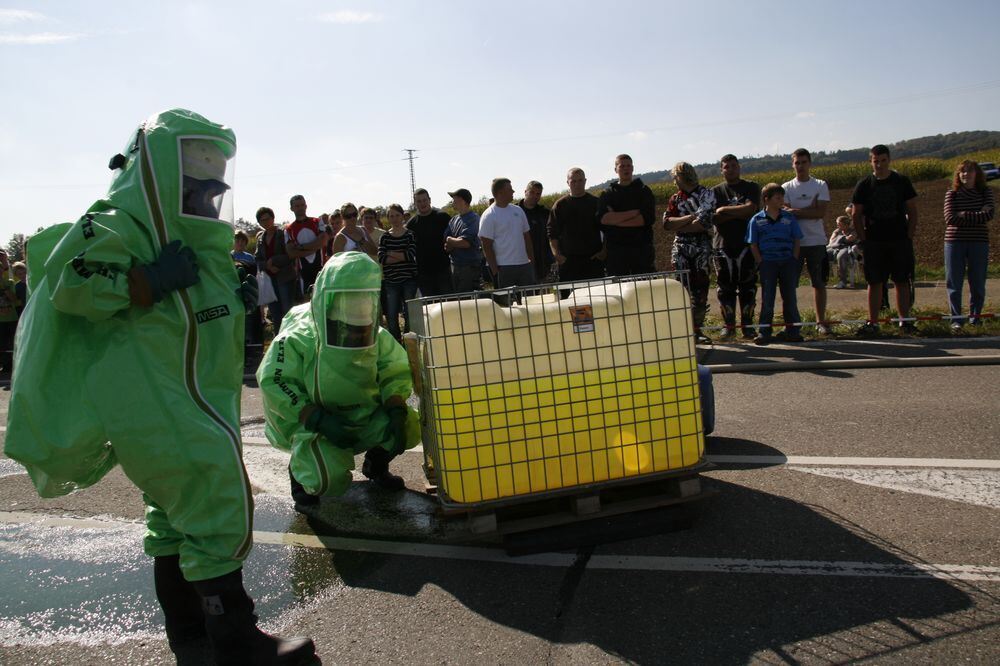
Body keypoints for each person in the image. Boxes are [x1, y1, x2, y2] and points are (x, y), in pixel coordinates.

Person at [3, 108, 317, 665]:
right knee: (212, 490)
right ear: (161, 176)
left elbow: (194, 314)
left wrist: (232, 301)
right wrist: (144, 281)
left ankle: (191, 635)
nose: (206, 198)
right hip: (150, 395)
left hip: (179, 393)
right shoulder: (117, 220)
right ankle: (237, 640)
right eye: (196, 186)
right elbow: (73, 285)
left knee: (175, 517)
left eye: (212, 188)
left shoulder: (184, 232)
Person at [257, 251, 420, 506]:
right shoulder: (297, 339)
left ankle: (375, 467)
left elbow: (393, 370)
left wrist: (397, 407)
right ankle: (300, 472)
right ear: (328, 300)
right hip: (315, 426)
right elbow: (275, 381)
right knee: (324, 481)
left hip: (362, 416)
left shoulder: (376, 336)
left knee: (411, 426)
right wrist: (315, 417)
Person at [851, 144, 919, 337]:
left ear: (889, 160)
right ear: (870, 161)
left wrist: (909, 235)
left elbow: (912, 210)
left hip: (899, 239)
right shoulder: (864, 184)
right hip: (874, 241)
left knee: (901, 281)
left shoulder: (901, 181)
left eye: (883, 161)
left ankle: (904, 321)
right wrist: (863, 239)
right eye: (875, 161)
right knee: (874, 282)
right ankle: (873, 322)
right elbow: (856, 215)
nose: (879, 165)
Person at [662, 162, 716, 345]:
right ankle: (681, 331)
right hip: (680, 248)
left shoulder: (706, 194)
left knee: (700, 290)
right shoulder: (675, 198)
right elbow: (667, 224)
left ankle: (697, 330)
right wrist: (690, 217)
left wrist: (681, 223)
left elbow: (704, 223)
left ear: (681, 176)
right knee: (680, 291)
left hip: (701, 247)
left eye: (675, 177)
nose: (674, 181)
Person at [711, 154, 761, 339]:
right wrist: (739, 212)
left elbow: (751, 209)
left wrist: (724, 210)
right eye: (726, 167)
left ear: (739, 167)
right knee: (725, 288)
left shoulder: (751, 187)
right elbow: (713, 218)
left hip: (747, 244)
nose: (730, 169)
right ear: (722, 170)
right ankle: (728, 325)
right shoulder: (714, 191)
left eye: (733, 166)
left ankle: (748, 326)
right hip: (722, 246)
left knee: (748, 286)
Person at [783, 148, 832, 335]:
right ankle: (793, 324)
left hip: (816, 241)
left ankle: (821, 321)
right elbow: (786, 214)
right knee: (790, 285)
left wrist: (798, 211)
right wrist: (809, 209)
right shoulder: (786, 187)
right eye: (797, 163)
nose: (800, 166)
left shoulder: (820, 185)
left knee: (818, 283)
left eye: (804, 162)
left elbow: (820, 212)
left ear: (809, 163)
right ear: (793, 164)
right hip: (794, 243)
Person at [747, 183, 803, 345]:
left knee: (790, 297)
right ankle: (764, 332)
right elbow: (753, 243)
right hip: (768, 263)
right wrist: (760, 262)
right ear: (767, 199)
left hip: (787, 262)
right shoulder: (756, 220)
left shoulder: (789, 217)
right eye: (778, 197)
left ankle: (793, 330)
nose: (781, 201)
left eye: (782, 197)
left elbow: (797, 238)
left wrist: (794, 258)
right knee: (768, 298)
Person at [944, 160, 994, 330]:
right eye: (962, 171)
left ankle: (975, 317)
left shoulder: (985, 192)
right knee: (954, 283)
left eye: (970, 171)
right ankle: (956, 319)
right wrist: (977, 214)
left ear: (976, 174)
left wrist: (963, 214)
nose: (966, 174)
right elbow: (950, 218)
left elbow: (988, 215)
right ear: (958, 175)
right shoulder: (952, 194)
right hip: (954, 242)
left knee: (978, 282)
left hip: (979, 242)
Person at [598, 154, 656, 276]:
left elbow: (646, 219)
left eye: (628, 166)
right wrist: (634, 213)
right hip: (616, 253)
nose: (626, 169)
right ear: (616, 170)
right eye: (622, 166)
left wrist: (616, 219)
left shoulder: (644, 191)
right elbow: (604, 219)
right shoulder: (607, 194)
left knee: (644, 290)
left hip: (642, 250)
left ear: (633, 168)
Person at [548, 167, 605, 282]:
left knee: (597, 298)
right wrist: (557, 255)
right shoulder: (560, 205)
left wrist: (604, 251)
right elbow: (552, 232)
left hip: (593, 260)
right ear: (568, 182)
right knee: (570, 299)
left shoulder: (596, 203)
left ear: (585, 181)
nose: (577, 184)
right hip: (568, 262)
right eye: (573, 181)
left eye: (580, 180)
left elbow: (608, 229)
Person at [479, 178, 535, 289]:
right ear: (500, 193)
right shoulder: (489, 216)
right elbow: (486, 245)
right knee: (508, 303)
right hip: (503, 267)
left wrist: (531, 262)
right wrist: (495, 271)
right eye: (510, 189)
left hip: (524, 265)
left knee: (529, 300)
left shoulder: (518, 210)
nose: (513, 191)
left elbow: (526, 237)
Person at [378, 203, 418, 340]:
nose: (394, 218)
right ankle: (396, 343)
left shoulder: (410, 235)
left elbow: (410, 255)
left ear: (402, 216)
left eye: (397, 215)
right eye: (391, 216)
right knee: (391, 314)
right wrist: (401, 255)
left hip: (409, 280)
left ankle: (408, 342)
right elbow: (382, 258)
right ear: (388, 218)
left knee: (409, 314)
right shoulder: (385, 237)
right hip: (391, 282)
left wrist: (391, 253)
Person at [255, 206, 297, 330]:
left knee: (287, 310)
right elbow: (257, 259)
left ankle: (290, 336)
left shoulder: (283, 233)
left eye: (267, 219)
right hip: (269, 280)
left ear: (273, 218)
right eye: (262, 220)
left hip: (285, 277)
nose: (265, 222)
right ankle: (278, 338)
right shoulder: (260, 238)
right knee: (275, 313)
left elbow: (290, 255)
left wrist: (273, 261)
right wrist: (267, 266)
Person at [406, 188, 452, 297]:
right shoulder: (411, 224)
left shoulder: (442, 217)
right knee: (431, 307)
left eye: (424, 200)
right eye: (419, 201)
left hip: (443, 269)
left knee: (449, 304)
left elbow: (453, 237)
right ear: (415, 203)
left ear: (429, 200)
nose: (422, 203)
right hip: (424, 273)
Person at [285, 194, 328, 299]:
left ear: (306, 206)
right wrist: (315, 247)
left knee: (324, 300)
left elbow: (323, 242)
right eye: (297, 206)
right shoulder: (289, 229)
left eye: (302, 205)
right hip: (303, 272)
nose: (300, 208)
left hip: (321, 268)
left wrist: (301, 247)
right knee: (307, 302)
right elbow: (291, 253)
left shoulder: (317, 222)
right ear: (292, 208)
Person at [444, 188, 483, 293]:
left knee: (467, 301)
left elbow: (465, 243)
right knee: (458, 301)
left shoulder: (474, 219)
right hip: (455, 266)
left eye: (454, 199)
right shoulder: (454, 219)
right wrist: (453, 242)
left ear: (462, 200)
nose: (452, 201)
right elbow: (447, 245)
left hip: (469, 267)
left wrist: (450, 240)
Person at [518, 181, 553, 281]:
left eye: (538, 194)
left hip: (542, 262)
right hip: (520, 260)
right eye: (532, 192)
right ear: (525, 192)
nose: (535, 196)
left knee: (543, 294)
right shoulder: (515, 212)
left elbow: (551, 235)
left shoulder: (545, 213)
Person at [827, 215, 860, 289]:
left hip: (846, 248)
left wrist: (839, 239)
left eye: (839, 224)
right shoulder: (837, 231)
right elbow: (831, 241)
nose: (837, 225)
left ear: (846, 225)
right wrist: (843, 239)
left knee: (841, 256)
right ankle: (822, 279)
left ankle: (843, 281)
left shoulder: (853, 231)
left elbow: (851, 239)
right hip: (835, 248)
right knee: (823, 254)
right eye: (837, 224)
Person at [0, 251, 16, 374]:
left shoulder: (10, 282)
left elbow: (14, 299)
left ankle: (13, 365)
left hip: (11, 318)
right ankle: (5, 366)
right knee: (2, 344)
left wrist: (4, 288)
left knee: (12, 343)